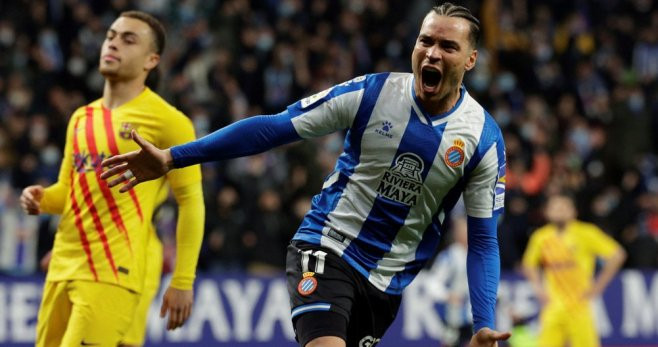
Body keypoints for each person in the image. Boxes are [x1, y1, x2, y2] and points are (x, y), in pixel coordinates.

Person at [102, 3, 510, 346]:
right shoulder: (372, 93)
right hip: (326, 246)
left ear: (471, 59)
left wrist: (482, 323)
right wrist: (174, 157)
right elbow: (273, 128)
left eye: (448, 46)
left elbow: (482, 240)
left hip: (386, 283)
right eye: (426, 41)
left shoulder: (482, 140)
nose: (432, 54)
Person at [19, 11, 205, 347]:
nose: (114, 43)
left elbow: (191, 202)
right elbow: (68, 192)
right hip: (62, 267)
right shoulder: (80, 117)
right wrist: (41, 198)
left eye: (128, 39)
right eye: (110, 36)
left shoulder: (169, 122)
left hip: (112, 272)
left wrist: (183, 280)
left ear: (152, 60)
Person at [522, 193, 626, 347]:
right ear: (547, 212)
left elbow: (617, 255)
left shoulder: (586, 232)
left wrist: (598, 287)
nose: (560, 211)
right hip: (553, 307)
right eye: (555, 207)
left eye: (564, 207)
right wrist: (538, 288)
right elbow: (529, 264)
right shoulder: (541, 237)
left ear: (573, 211)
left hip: (579, 306)